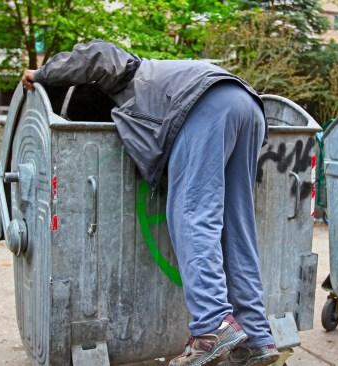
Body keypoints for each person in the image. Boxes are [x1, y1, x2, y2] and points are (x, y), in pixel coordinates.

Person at [22, 39, 279, 366]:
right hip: (247, 105)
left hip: (204, 106)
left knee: (192, 216)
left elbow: (98, 54)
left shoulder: (132, 72)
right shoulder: (163, 78)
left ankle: (212, 326)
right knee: (237, 228)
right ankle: (257, 337)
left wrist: (43, 73)